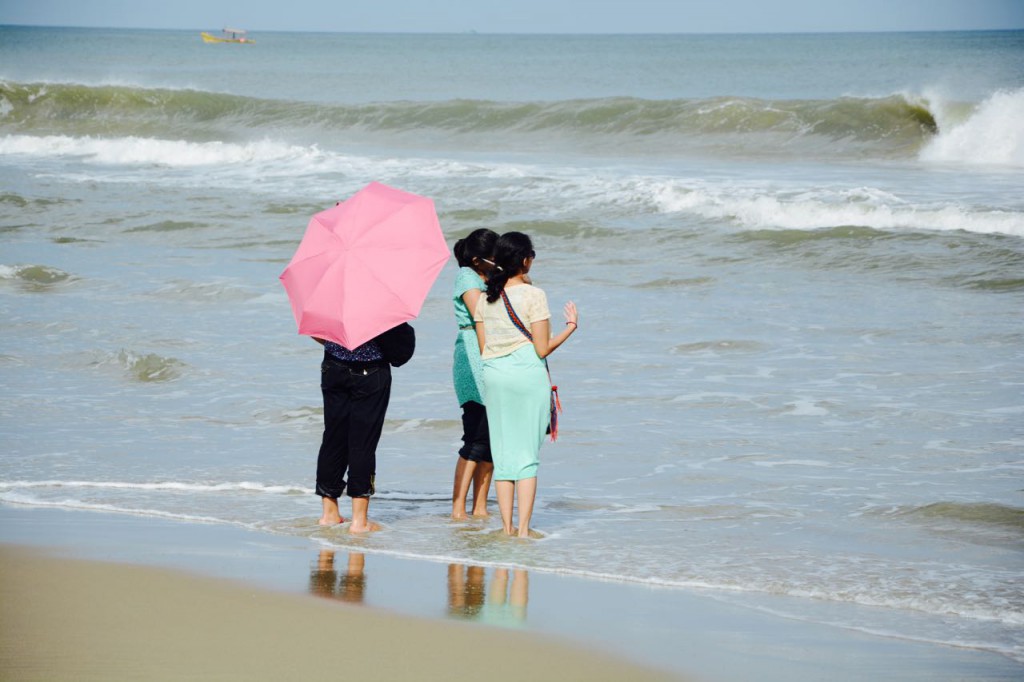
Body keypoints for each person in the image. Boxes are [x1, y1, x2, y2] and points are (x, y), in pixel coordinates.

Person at [473, 232, 578, 538]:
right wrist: (571, 327)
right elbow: (542, 349)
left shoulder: (484, 297)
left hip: (495, 376)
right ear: (524, 260)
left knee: (504, 456)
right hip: (526, 376)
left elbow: (484, 349)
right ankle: (522, 531)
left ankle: (505, 528)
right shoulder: (534, 296)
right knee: (527, 456)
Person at [314, 322, 415, 533]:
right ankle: (359, 522)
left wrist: (337, 344)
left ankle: (329, 514)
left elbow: (315, 331)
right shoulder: (377, 294)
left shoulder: (333, 292)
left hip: (333, 366)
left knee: (333, 438)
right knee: (363, 443)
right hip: (371, 370)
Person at [451, 228, 498, 520]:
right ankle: (458, 507)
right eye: (495, 256)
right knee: (475, 435)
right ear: (479, 259)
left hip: (491, 353)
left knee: (493, 438)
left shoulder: (486, 277)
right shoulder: (466, 277)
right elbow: (480, 310)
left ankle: (480, 506)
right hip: (472, 354)